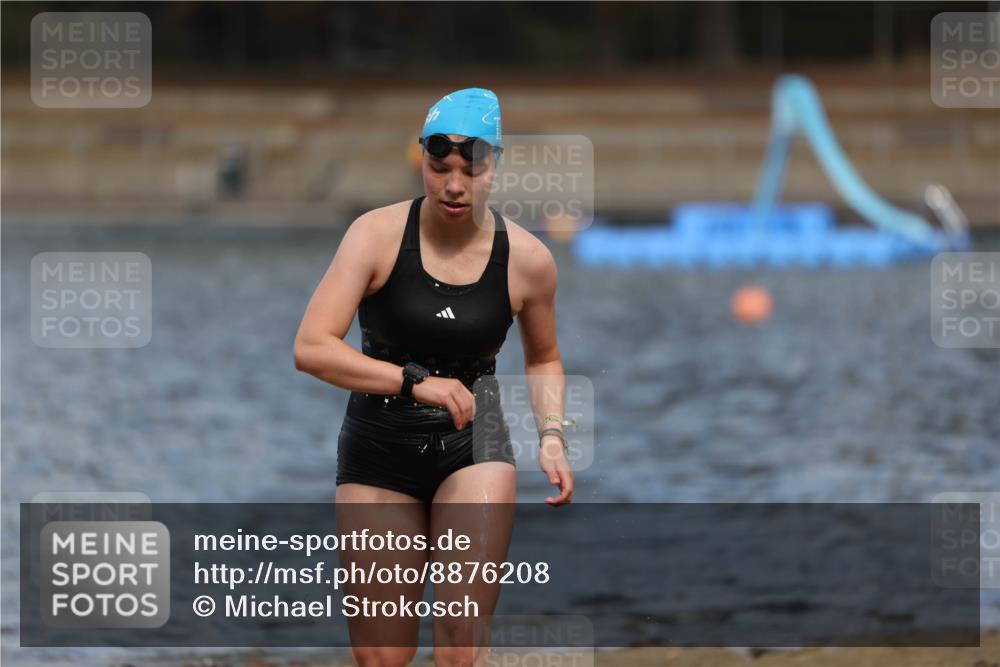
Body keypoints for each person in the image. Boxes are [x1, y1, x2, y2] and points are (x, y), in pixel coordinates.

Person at [294, 87, 573, 667]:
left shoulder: (527, 260)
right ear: (421, 159)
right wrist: (412, 380)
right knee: (381, 659)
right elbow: (312, 348)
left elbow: (543, 356)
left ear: (494, 167)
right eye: (438, 166)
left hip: (478, 443)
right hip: (378, 446)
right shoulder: (373, 236)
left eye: (471, 171)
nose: (452, 185)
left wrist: (552, 435)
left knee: (459, 648)